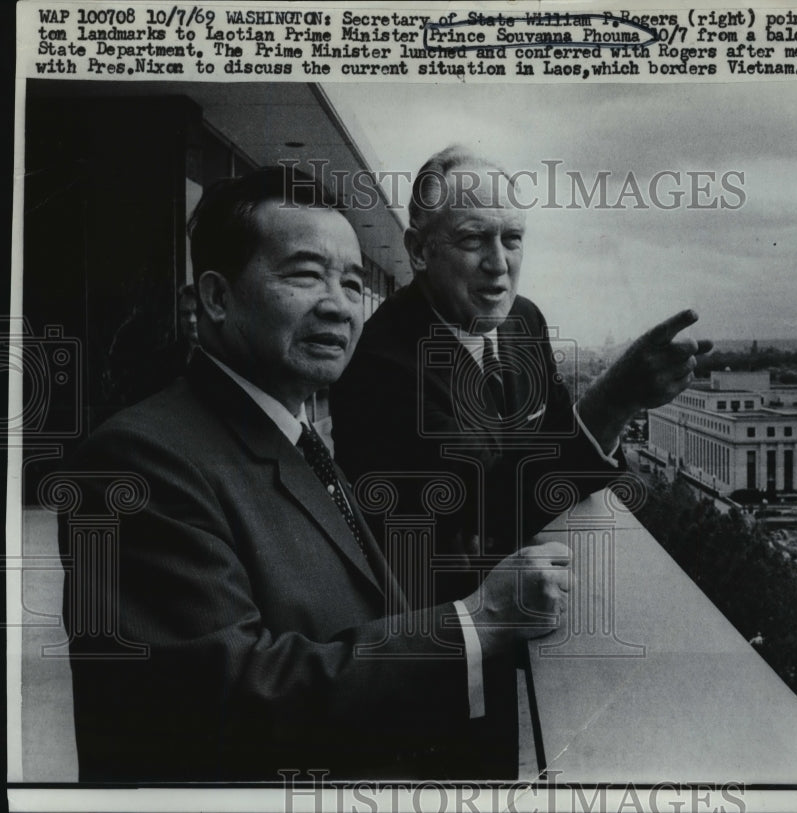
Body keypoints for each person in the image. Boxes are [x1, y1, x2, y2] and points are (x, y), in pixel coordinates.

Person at [55, 167, 570, 782]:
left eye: (353, 284)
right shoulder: (135, 463)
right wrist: (479, 621)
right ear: (216, 298)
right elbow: (225, 704)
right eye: (304, 275)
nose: (338, 305)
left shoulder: (294, 437)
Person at [333, 145, 713, 609]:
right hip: (445, 636)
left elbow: (551, 457)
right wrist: (613, 401)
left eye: (512, 238)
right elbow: (487, 512)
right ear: (418, 251)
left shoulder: (523, 321)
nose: (499, 264)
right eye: (473, 240)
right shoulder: (379, 366)